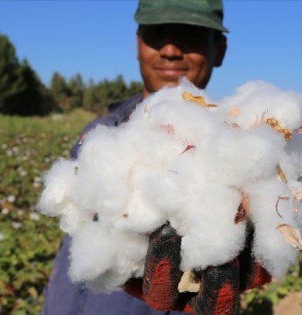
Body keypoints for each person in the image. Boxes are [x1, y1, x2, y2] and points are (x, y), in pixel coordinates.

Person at [41, 1, 270, 314]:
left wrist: (245, 234)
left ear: (220, 49)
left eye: (189, 35)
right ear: (138, 42)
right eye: (157, 33)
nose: (171, 50)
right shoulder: (99, 131)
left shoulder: (240, 151)